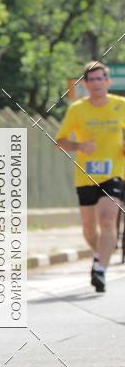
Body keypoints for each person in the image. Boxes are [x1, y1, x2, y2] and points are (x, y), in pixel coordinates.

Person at [55, 61, 125, 292]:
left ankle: (100, 270)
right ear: (85, 85)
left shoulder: (120, 105)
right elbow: (61, 142)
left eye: (99, 79)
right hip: (85, 176)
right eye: (91, 80)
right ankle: (100, 254)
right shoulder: (77, 109)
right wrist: (80, 145)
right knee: (88, 229)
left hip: (114, 173)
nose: (96, 84)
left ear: (108, 82)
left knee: (107, 219)